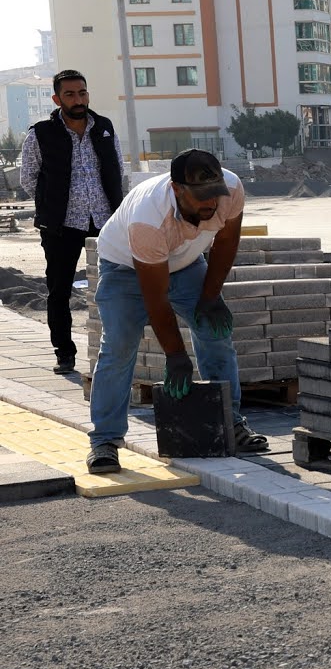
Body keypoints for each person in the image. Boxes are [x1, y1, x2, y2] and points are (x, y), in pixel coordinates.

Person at [87, 149, 268, 473]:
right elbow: (155, 298)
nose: (210, 205)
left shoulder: (231, 189)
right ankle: (105, 440)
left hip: (185, 263)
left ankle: (231, 422)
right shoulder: (149, 219)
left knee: (214, 330)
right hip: (126, 265)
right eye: (200, 198)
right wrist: (175, 355)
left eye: (213, 196)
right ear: (176, 190)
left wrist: (210, 297)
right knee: (120, 343)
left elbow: (226, 243)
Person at [20, 69, 124, 374]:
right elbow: (28, 179)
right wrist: (52, 206)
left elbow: (117, 169)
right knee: (60, 290)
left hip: (104, 222)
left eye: (82, 93)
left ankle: (115, 347)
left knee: (114, 286)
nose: (78, 100)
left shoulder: (103, 128)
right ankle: (64, 353)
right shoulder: (40, 133)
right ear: (57, 98)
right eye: (70, 94)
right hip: (61, 226)